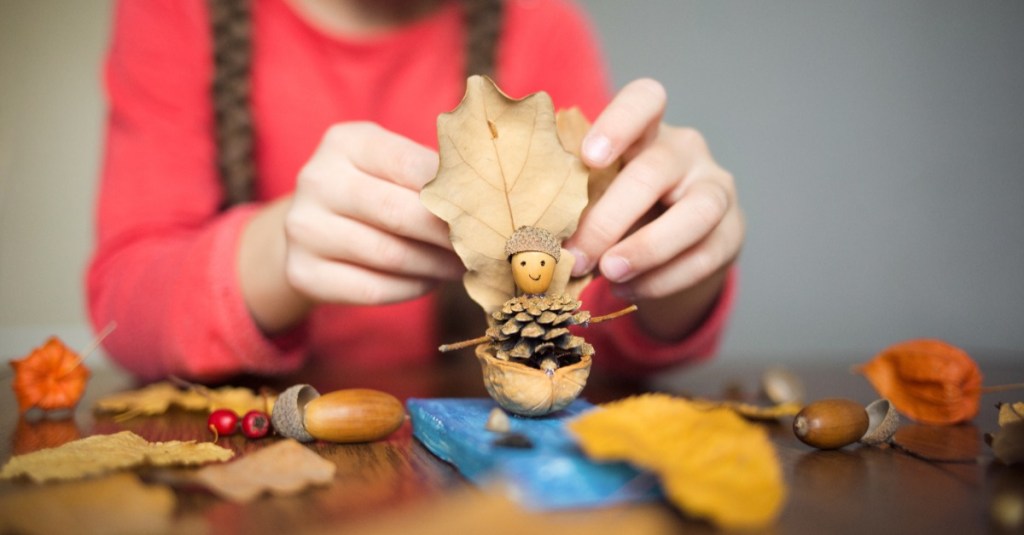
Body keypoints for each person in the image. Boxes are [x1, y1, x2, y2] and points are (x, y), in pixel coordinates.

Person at [88, 0, 744, 381]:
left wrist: (668, 258)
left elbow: (596, 313)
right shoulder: (174, 14)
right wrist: (272, 255)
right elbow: (124, 303)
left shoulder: (543, 24)